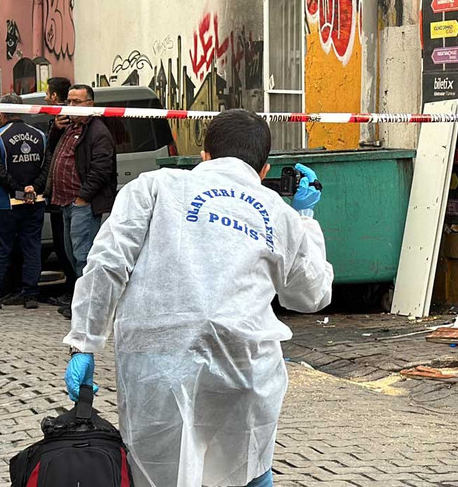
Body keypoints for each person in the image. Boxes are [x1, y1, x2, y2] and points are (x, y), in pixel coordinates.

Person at [62, 109, 334, 487]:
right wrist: (306, 216)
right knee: (243, 470)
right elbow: (312, 294)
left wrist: (85, 343)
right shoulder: (279, 214)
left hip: (158, 361)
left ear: (203, 155)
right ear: (265, 170)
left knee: (161, 472)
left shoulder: (154, 187)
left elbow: (108, 262)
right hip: (245, 367)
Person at [44, 84, 117, 319]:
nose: (70, 106)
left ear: (90, 105)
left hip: (82, 205)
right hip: (65, 203)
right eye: (69, 101)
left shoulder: (97, 132)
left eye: (77, 102)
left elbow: (101, 169)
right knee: (71, 254)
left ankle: (89, 307)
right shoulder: (69, 128)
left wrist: (82, 198)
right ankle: (80, 303)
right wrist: (55, 129)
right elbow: (52, 152)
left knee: (84, 256)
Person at [0, 94, 50, 310]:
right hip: (35, 201)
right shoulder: (40, 135)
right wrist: (33, 188)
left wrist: (17, 191)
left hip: (5, 203)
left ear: (1, 114)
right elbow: (47, 166)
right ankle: (30, 295)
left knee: (0, 250)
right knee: (32, 247)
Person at [43, 76, 76, 308]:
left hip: (68, 194)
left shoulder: (63, 119)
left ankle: (74, 291)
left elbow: (53, 149)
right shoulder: (59, 119)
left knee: (69, 246)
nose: (45, 98)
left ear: (55, 96)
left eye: (47, 93)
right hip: (61, 193)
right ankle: (71, 289)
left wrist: (54, 129)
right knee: (65, 244)